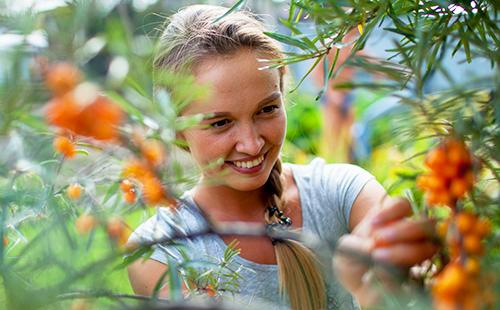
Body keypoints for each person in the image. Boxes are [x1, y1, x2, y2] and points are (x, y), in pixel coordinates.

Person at [127, 5, 437, 310]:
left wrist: (385, 292)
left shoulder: (346, 193)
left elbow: (422, 286)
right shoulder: (160, 252)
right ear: (176, 127)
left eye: (267, 109)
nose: (251, 144)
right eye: (220, 123)